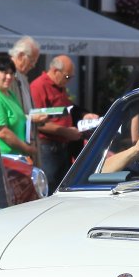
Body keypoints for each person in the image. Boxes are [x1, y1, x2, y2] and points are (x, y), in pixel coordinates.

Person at [30, 54, 85, 186]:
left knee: (63, 186)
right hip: (48, 148)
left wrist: (84, 116)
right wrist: (65, 132)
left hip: (62, 147)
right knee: (49, 186)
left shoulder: (59, 86)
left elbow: (66, 110)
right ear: (55, 71)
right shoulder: (38, 86)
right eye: (67, 77)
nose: (69, 81)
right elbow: (38, 122)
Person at [0, 55, 36, 160]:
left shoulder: (9, 93)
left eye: (11, 73)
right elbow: (1, 132)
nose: (9, 77)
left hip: (16, 156)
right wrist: (26, 148)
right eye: (4, 72)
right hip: (1, 158)